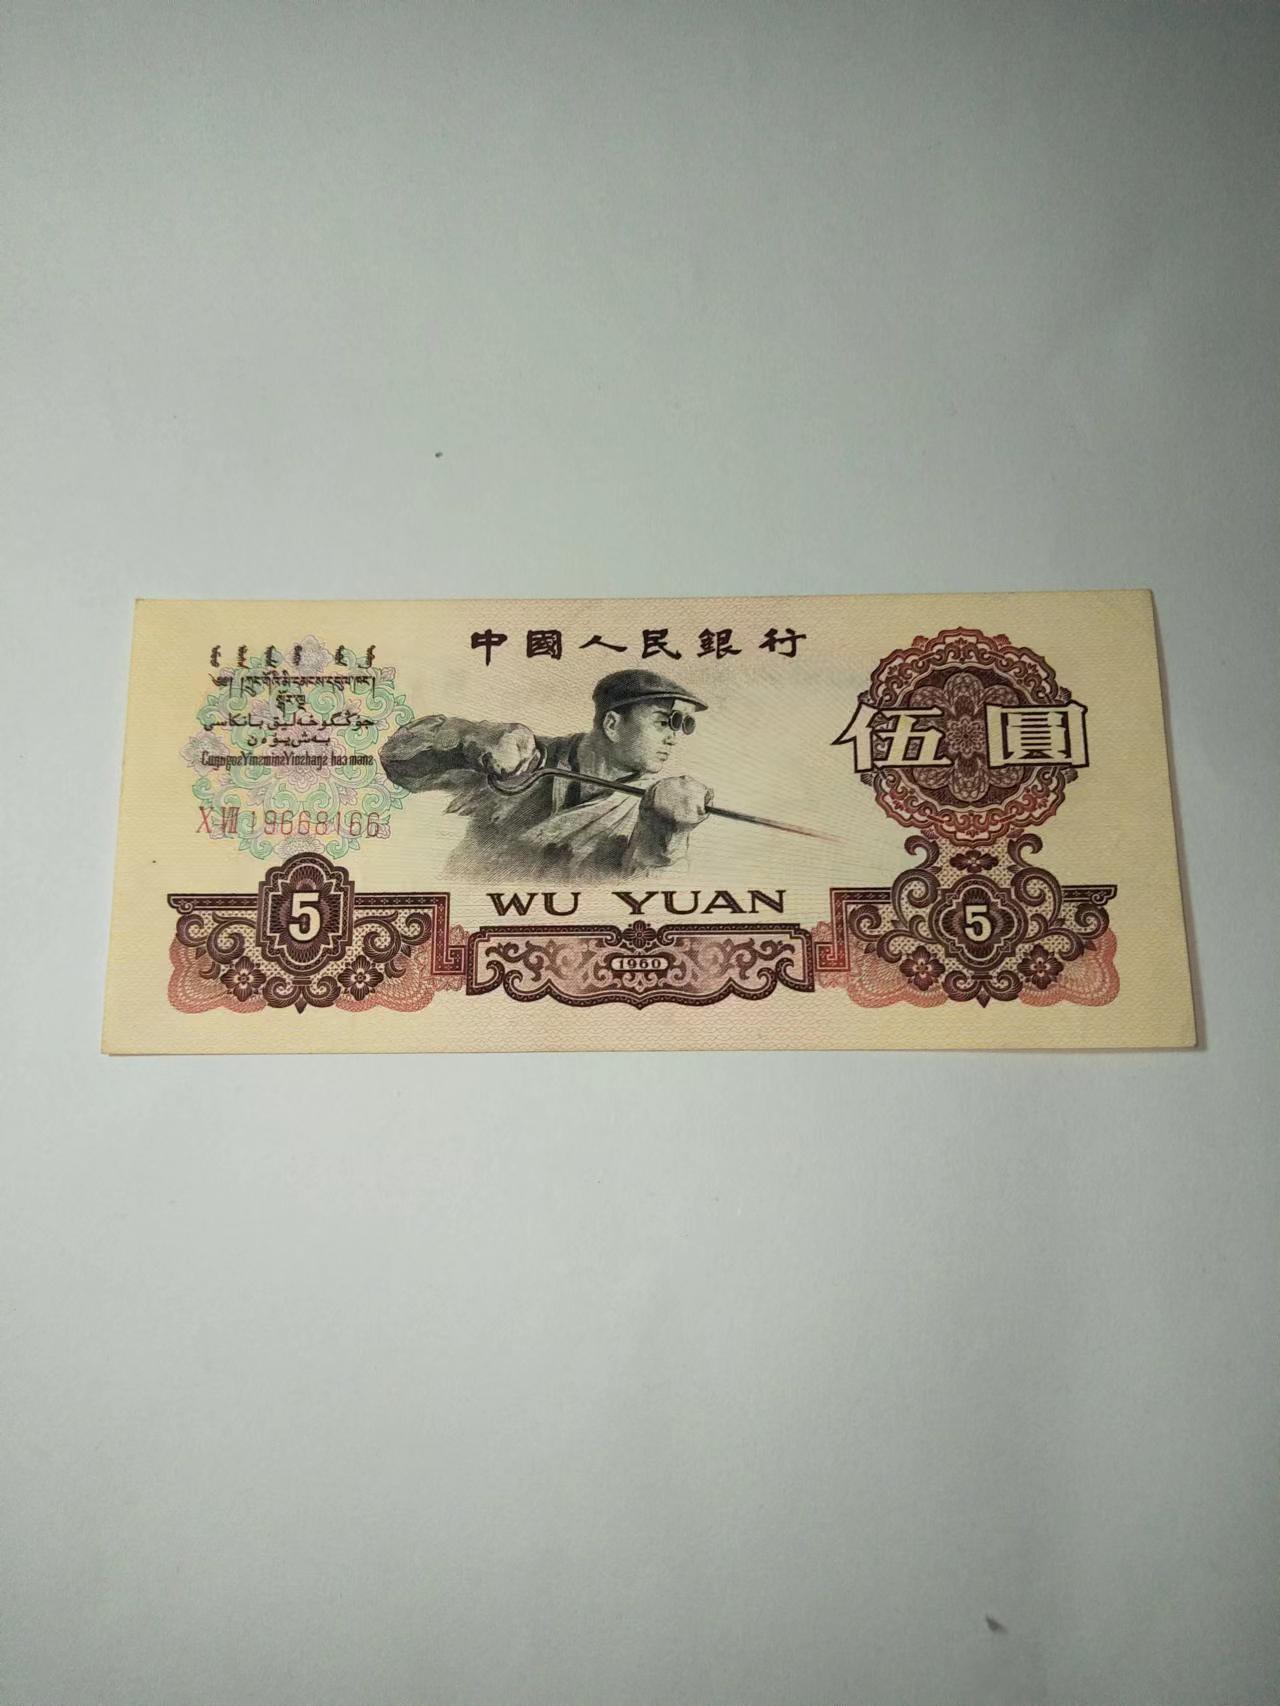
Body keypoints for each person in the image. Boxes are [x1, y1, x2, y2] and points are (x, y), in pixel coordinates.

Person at [380, 669, 714, 879]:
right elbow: (396, 759)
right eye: (664, 722)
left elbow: (640, 904)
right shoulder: (522, 757)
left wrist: (666, 832)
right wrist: (472, 740)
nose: (674, 737)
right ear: (612, 724)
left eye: (682, 726)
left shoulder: (660, 809)